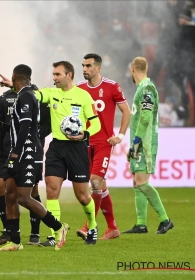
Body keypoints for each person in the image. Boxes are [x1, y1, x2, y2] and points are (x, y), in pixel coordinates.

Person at [0, 60, 102, 245]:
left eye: (57, 75)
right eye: (53, 74)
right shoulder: (50, 93)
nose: (54, 78)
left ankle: (92, 226)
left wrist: (84, 133)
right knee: (52, 190)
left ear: (68, 75)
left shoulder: (84, 96)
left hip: (77, 148)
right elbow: (30, 95)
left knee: (82, 195)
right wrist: (14, 86)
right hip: (56, 148)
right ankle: (55, 236)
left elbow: (96, 123)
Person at [0, 64, 68, 252]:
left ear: (15, 77)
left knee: (24, 198)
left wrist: (15, 154)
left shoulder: (26, 96)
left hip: (26, 153)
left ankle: (59, 227)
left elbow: (26, 127)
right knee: (10, 194)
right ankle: (15, 241)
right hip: (16, 151)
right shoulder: (23, 94)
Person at [75, 53, 131, 241]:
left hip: (104, 143)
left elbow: (126, 111)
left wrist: (120, 135)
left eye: (88, 66)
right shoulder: (79, 89)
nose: (84, 69)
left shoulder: (111, 86)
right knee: (101, 185)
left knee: (95, 182)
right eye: (83, 65)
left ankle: (87, 226)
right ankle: (113, 228)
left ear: (98, 68)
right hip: (84, 143)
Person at [0, 89, 51, 246]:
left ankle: (35, 233)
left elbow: (47, 124)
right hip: (7, 149)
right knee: (2, 188)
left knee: (29, 192)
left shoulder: (37, 95)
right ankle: (9, 232)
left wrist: (34, 134)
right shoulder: (4, 98)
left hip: (28, 151)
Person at [123, 57, 174, 235]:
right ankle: (141, 224)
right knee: (136, 183)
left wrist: (136, 142)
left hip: (144, 144)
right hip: (138, 143)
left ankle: (165, 220)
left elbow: (145, 117)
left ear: (133, 69)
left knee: (142, 182)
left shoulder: (147, 89)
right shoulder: (141, 89)